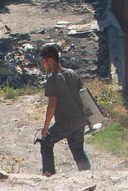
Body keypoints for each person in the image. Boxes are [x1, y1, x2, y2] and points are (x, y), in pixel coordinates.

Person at [38, 43, 90, 175]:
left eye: (44, 62)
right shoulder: (73, 74)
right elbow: (83, 96)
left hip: (65, 123)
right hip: (80, 121)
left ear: (51, 60)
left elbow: (52, 105)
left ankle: (49, 174)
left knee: (46, 142)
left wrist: (45, 128)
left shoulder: (52, 80)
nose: (43, 65)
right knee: (78, 151)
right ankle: (87, 175)